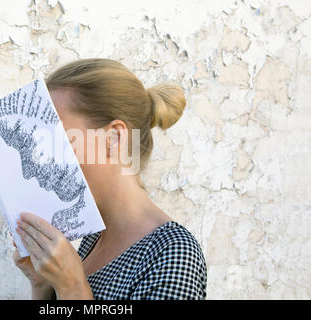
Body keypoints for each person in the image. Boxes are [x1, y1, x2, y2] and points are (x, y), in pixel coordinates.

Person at [11, 58, 207, 300]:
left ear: (113, 138)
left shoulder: (173, 253)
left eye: (59, 137)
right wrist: (44, 285)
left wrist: (72, 287)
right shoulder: (93, 237)